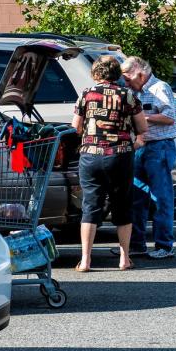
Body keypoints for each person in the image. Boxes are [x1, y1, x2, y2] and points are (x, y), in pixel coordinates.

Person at [72, 55, 148, 272]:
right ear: (116, 74)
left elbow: (76, 127)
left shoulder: (86, 94)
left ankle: (85, 260)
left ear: (96, 73)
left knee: (90, 205)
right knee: (122, 204)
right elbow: (142, 128)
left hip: (91, 156)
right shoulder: (128, 95)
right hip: (120, 156)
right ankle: (124, 258)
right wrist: (135, 141)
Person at [121, 56, 176, 260]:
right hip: (140, 146)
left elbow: (170, 116)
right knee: (137, 197)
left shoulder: (159, 88)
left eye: (128, 79)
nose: (125, 83)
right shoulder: (133, 92)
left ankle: (164, 245)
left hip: (159, 146)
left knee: (161, 197)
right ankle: (136, 244)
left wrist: (142, 118)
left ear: (140, 73)